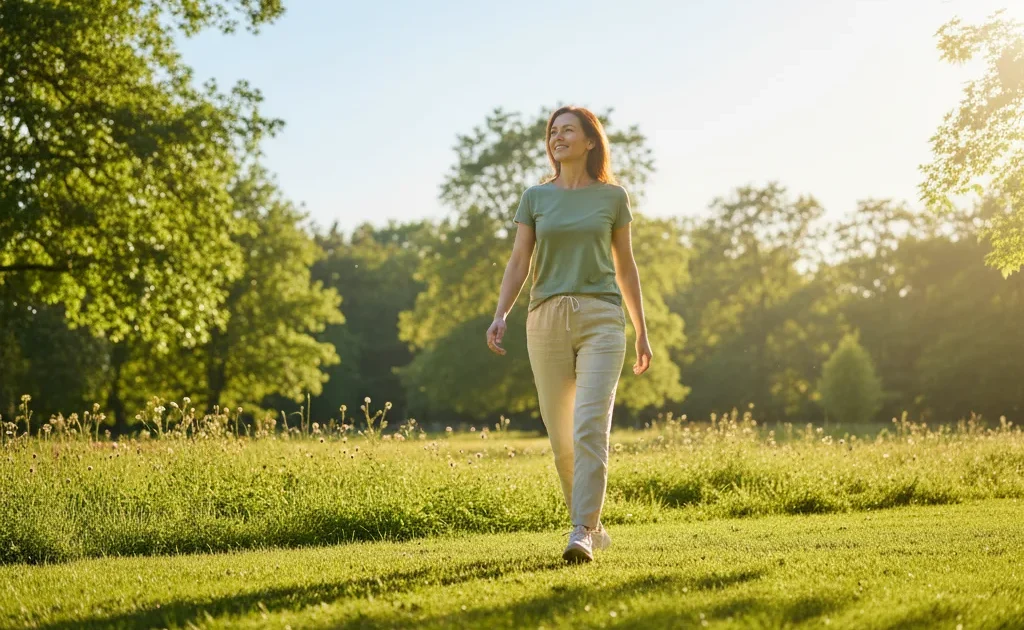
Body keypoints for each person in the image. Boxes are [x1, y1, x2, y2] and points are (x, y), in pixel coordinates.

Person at [485, 105, 653, 563]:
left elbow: (625, 265)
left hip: (601, 318)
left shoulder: (612, 197)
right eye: (553, 131)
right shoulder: (535, 197)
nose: (558, 137)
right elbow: (519, 260)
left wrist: (641, 330)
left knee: (589, 428)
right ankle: (591, 525)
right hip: (544, 321)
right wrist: (501, 313)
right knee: (561, 437)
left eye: (568, 131)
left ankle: (581, 529)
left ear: (590, 141)